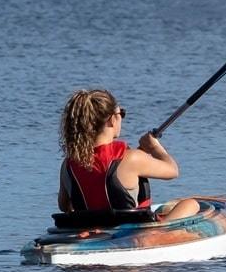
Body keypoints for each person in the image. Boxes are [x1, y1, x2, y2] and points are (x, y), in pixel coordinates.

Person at [56, 88, 200, 222]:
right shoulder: (131, 158)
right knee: (191, 204)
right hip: (133, 230)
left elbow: (64, 206)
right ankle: (157, 233)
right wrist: (154, 147)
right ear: (111, 120)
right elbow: (173, 171)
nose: (122, 118)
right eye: (121, 114)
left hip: (91, 227)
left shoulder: (68, 164)